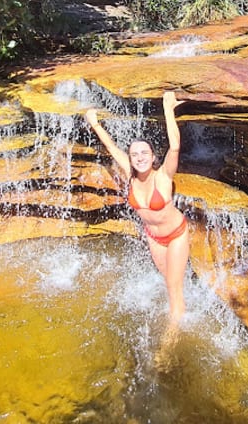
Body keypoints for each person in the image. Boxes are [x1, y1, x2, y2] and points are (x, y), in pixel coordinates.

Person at [85, 91, 190, 326]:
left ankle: (171, 340)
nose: (139, 158)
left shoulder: (163, 176)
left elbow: (174, 147)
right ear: (130, 159)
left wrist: (168, 109)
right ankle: (182, 309)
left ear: (153, 157)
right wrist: (95, 124)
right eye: (134, 154)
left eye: (144, 153)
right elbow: (112, 148)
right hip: (154, 237)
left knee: (173, 288)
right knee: (169, 281)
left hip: (176, 234)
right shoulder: (130, 174)